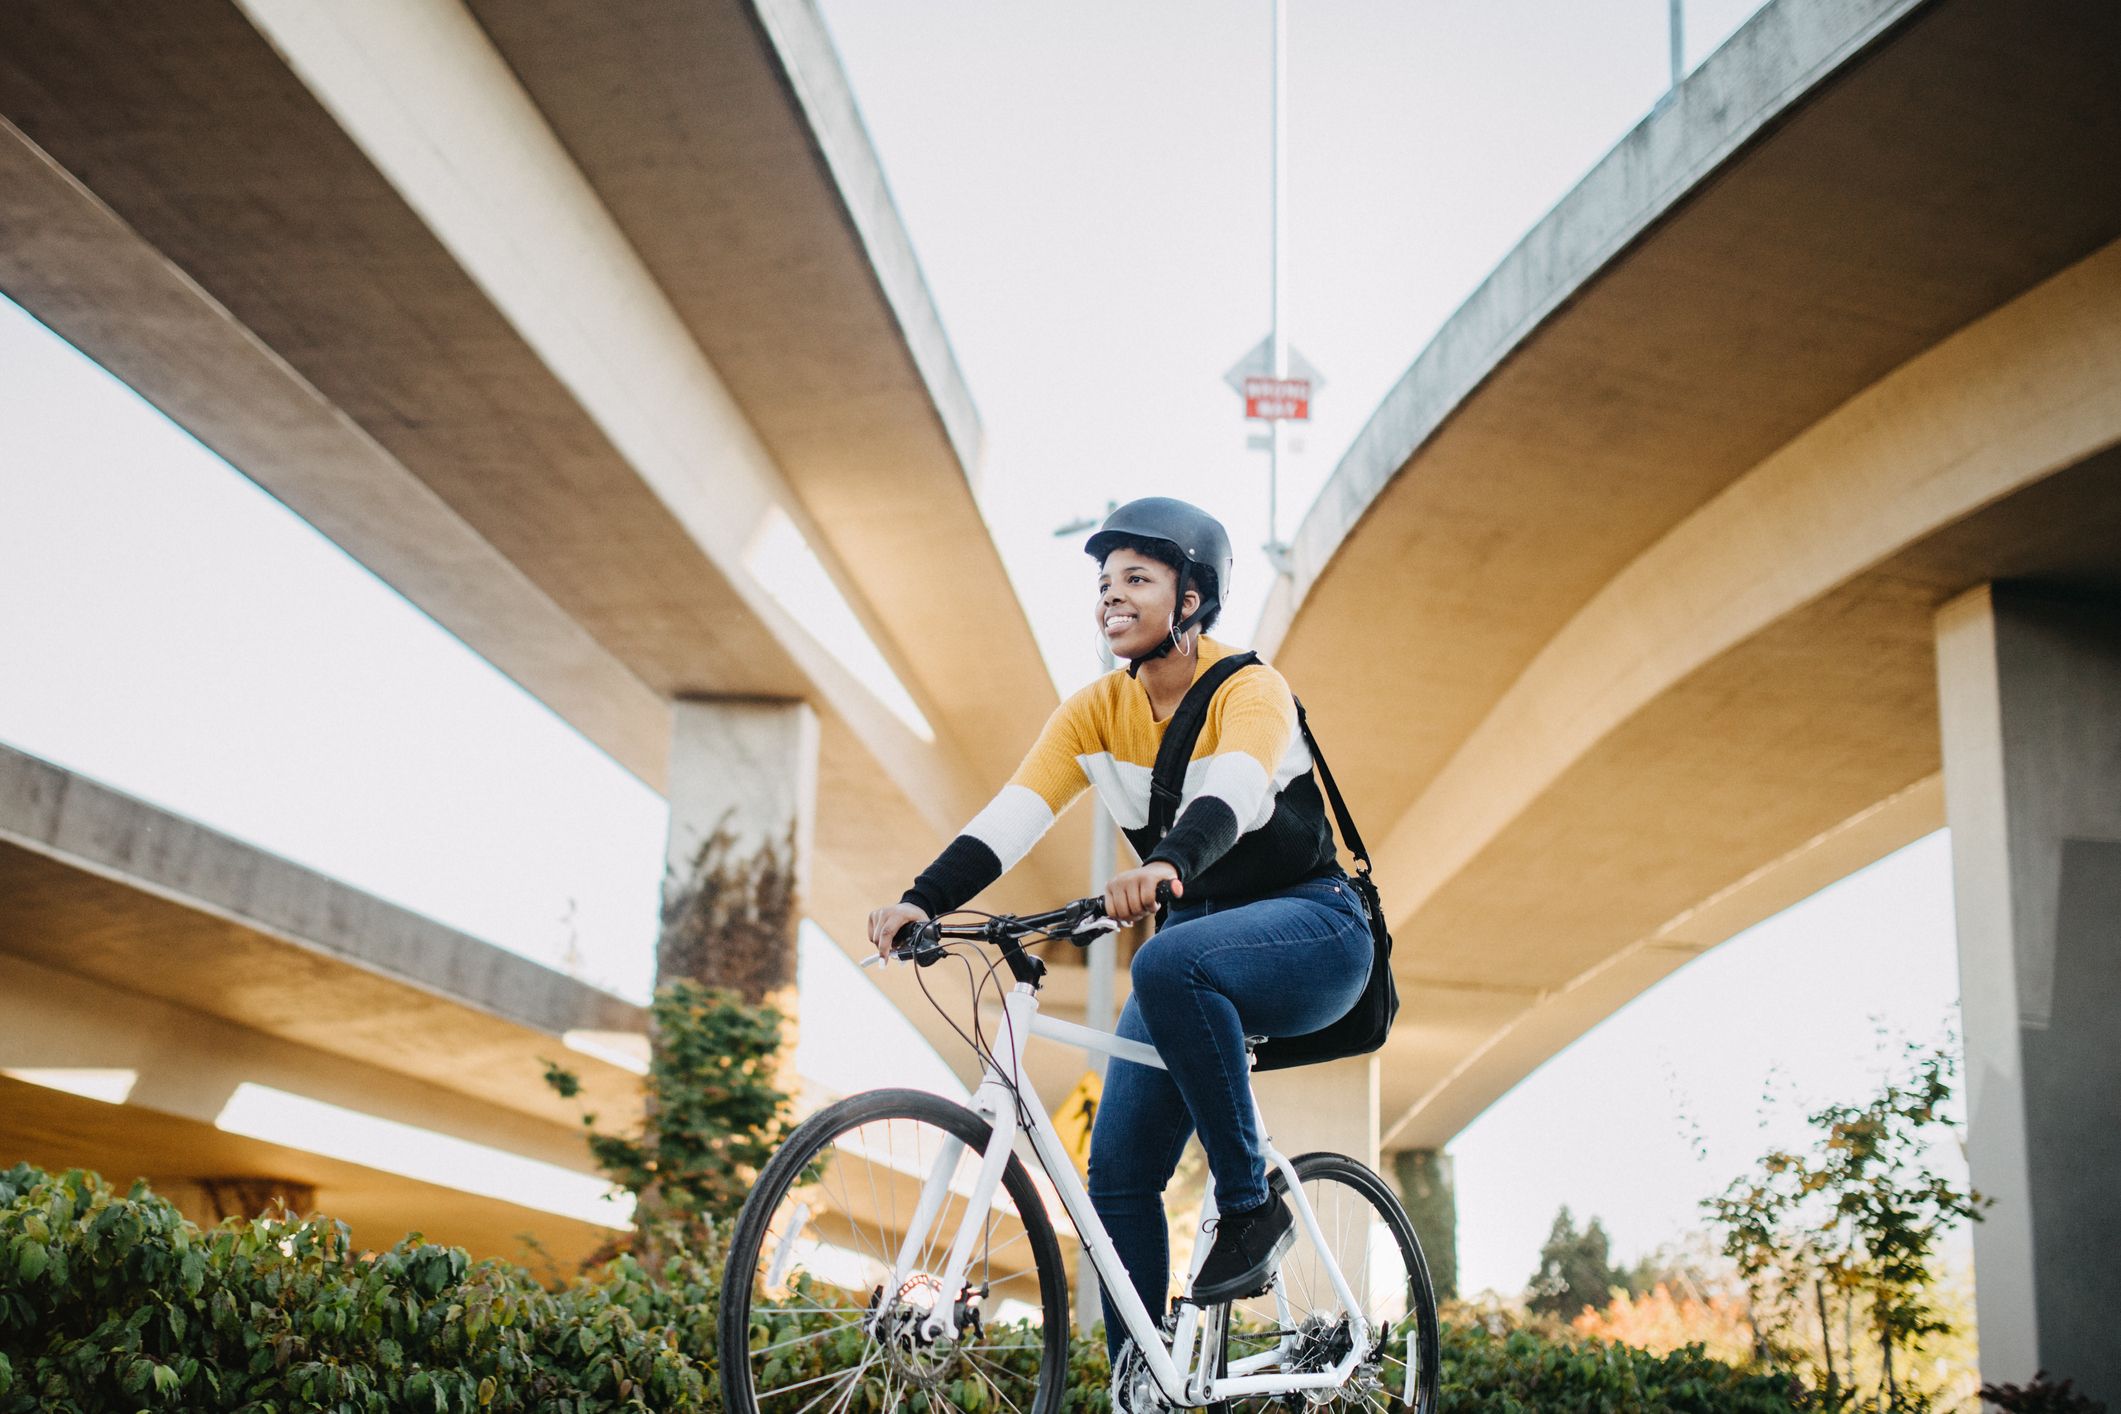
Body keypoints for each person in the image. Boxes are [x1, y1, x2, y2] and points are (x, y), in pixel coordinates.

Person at [867, 497, 1373, 1353]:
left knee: (1166, 960)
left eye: (1138, 577)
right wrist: (924, 900)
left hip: (1316, 931)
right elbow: (1011, 817)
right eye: (1104, 582)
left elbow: (1233, 793)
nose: (1112, 595)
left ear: (1191, 599)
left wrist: (1167, 864)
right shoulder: (1094, 710)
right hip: (1197, 950)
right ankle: (1142, 1382)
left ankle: (1249, 1210)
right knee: (1118, 1177)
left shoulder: (1251, 688)